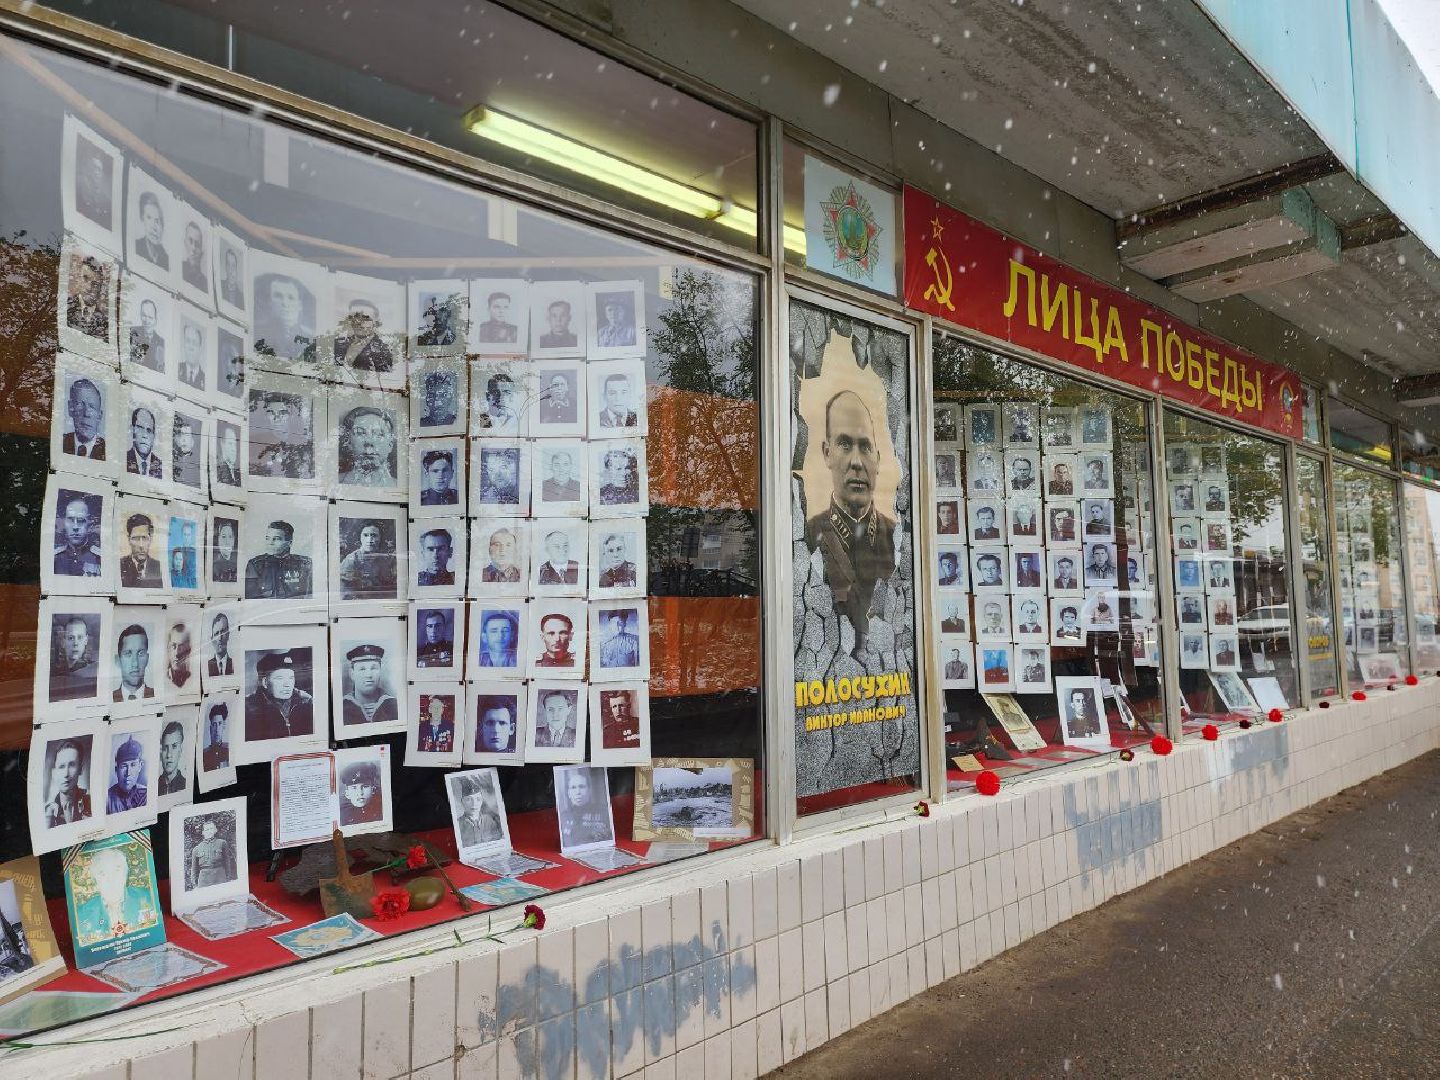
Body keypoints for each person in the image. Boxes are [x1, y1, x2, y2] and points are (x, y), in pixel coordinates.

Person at [802, 392, 898, 653]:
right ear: (827, 453)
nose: (857, 461)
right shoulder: (806, 538)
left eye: (865, 447)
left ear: (877, 459)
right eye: (845, 445)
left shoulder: (897, 538)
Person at [73, 843, 158, 945]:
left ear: (125, 874)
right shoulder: (81, 914)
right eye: (102, 873)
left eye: (116, 870)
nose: (111, 879)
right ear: (95, 880)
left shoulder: (148, 897)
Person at [245, 650, 314, 741]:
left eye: (291, 678)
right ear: (265, 682)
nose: (287, 684)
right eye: (280, 678)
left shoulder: (306, 702)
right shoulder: (249, 708)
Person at [246, 520, 313, 600]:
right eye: (267, 538)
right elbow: (251, 599)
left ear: (289, 543)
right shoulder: (255, 564)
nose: (270, 543)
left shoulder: (305, 564)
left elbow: (310, 596)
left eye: (276, 539)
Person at [255, 274, 315, 359]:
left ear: (300, 305)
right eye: (278, 296)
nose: (285, 303)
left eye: (291, 297)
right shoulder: (257, 332)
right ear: (270, 302)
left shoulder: (310, 340)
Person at [341, 643, 398, 727]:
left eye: (374, 668)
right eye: (362, 669)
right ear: (352, 674)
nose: (368, 675)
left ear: (380, 671)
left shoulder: (394, 705)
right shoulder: (342, 707)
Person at [338, 521, 397, 600]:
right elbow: (344, 592)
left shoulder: (383, 559)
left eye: (374, 535)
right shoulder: (351, 559)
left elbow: (388, 586)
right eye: (365, 535)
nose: (370, 540)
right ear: (360, 537)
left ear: (380, 538)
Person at [339, 407, 396, 487]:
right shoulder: (336, 482)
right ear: (348, 442)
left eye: (379, 434)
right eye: (360, 433)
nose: (369, 441)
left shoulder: (396, 485)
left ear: (390, 445)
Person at [333, 299, 394, 371]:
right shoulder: (336, 345)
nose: (359, 322)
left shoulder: (385, 352)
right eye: (355, 317)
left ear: (375, 322)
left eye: (365, 318)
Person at [44, 738, 91, 826]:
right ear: (54, 772)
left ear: (80, 769)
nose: (66, 774)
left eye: (72, 765)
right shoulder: (47, 811)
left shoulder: (91, 801)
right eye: (61, 766)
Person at [54, 494, 102, 579]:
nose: (75, 527)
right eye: (70, 520)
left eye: (81, 521)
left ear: (89, 525)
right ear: (64, 523)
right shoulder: (55, 558)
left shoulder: (99, 558)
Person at [559, 769, 611, 846]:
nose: (578, 792)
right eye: (573, 787)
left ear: (589, 790)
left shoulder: (604, 812)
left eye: (582, 787)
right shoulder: (563, 817)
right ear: (569, 793)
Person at [51, 615, 99, 701]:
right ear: (63, 641)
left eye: (80, 637)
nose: (75, 643)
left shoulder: (93, 671)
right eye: (71, 638)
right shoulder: (53, 672)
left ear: (86, 640)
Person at [453, 775, 502, 848]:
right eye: (468, 799)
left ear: (482, 801)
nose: (474, 803)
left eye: (478, 799)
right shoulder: (458, 824)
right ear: (462, 802)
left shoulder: (489, 820)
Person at [63, 378, 107, 460]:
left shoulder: (108, 451)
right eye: (80, 404)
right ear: (70, 408)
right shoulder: (60, 442)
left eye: (92, 407)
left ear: (99, 416)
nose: (86, 413)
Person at [74, 136, 111, 227]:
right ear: (87, 169)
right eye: (94, 168)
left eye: (99, 170)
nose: (96, 173)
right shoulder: (79, 184)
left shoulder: (104, 197)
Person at [112, 623, 155, 702]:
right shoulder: (109, 698)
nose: (135, 663)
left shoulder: (157, 695)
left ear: (147, 658)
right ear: (118, 660)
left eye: (140, 653)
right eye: (128, 654)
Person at [106, 735, 148, 813]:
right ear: (116, 770)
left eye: (133, 765)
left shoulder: (147, 794)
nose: (128, 773)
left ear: (140, 766)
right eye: (124, 766)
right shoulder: (107, 798)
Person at [189, 818, 233, 888]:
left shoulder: (222, 843)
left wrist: (228, 878)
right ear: (203, 832)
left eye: (211, 829)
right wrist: (194, 885)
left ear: (215, 830)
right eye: (207, 830)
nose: (209, 831)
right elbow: (194, 869)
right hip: (204, 881)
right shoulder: (196, 849)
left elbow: (227, 862)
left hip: (220, 877)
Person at [339, 760, 383, 826]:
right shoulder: (342, 814)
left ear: (373, 790)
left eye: (365, 786)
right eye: (354, 788)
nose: (360, 793)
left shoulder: (381, 809)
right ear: (347, 794)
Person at [133, 190, 169, 269]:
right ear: (142, 218)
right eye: (149, 218)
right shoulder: (136, 246)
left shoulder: (165, 258)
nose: (154, 227)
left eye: (157, 221)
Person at [128, 298, 166, 371]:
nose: (146, 320)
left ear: (155, 319)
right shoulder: (132, 332)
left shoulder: (161, 342)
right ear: (140, 315)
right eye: (144, 316)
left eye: (150, 317)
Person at [127, 406, 163, 479]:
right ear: (132, 430)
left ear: (154, 436)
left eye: (149, 430)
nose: (145, 435)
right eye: (140, 428)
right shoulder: (125, 459)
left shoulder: (160, 465)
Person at [158, 719, 187, 797]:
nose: (169, 755)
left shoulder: (186, 786)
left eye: (174, 746)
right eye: (165, 748)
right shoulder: (154, 786)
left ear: (180, 750)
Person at [173, 416, 201, 489]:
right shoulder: (173, 459)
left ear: (193, 440)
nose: (184, 439)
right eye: (181, 435)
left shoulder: (198, 462)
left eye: (187, 435)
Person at [166, 621, 194, 692]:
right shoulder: (163, 678)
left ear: (189, 649)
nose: (176, 653)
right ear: (168, 648)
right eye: (173, 646)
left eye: (181, 647)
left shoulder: (192, 678)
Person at [181, 220, 208, 293]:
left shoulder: (205, 283)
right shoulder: (178, 269)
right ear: (185, 242)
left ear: (201, 251)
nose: (193, 248)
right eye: (190, 241)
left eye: (197, 244)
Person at [177, 322, 205, 390]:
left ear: (200, 348)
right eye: (188, 341)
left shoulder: (205, 379)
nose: (190, 347)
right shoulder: (176, 369)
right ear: (184, 344)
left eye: (194, 343)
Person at [202, 703, 230, 770]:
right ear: (210, 728)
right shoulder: (204, 754)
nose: (217, 729)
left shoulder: (229, 749)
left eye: (220, 724)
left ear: (223, 726)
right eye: (214, 724)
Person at [214, 423, 243, 487]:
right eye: (230, 444)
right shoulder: (217, 472)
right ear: (222, 444)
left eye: (234, 444)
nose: (234, 449)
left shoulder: (238, 473)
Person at [207, 612, 234, 677]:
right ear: (212, 639)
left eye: (223, 632)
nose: (219, 638)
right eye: (216, 633)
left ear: (228, 635)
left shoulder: (235, 664)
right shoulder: (207, 667)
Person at [219, 245, 244, 310]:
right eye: (228, 265)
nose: (230, 271)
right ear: (225, 267)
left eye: (233, 266)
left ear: (237, 269)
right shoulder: (219, 286)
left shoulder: (242, 298)